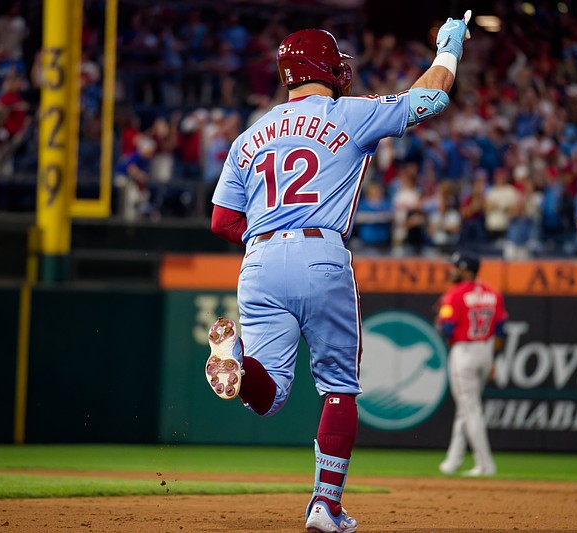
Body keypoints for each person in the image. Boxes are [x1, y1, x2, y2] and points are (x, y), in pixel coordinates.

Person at [205, 12, 473, 533]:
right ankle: (325, 506)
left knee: (268, 397)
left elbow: (220, 221)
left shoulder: (249, 135)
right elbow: (433, 97)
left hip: (257, 259)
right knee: (338, 388)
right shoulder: (348, 113)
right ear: (327, 67)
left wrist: (267, 237)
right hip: (320, 252)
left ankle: (236, 361)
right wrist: (448, 49)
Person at [436, 251, 506, 477]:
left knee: (470, 409)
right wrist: (492, 358)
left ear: (465, 270)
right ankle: (453, 461)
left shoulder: (455, 294)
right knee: (466, 408)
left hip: (464, 351)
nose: (452, 270)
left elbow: (446, 328)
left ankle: (485, 464)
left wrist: (439, 318)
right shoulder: (493, 292)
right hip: (485, 350)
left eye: (455, 267)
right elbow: (501, 330)